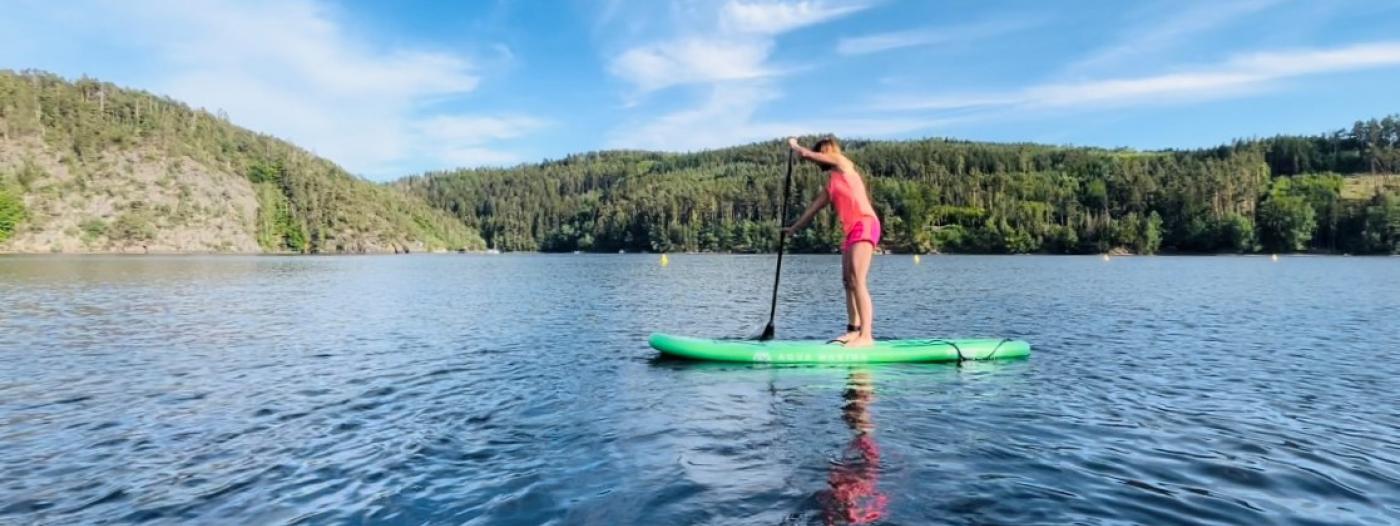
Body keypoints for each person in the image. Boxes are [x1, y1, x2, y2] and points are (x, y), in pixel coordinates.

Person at [783, 136, 880, 347]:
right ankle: (853, 330)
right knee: (847, 282)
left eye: (822, 153)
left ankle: (866, 336)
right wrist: (793, 228)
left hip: (865, 223)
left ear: (829, 151)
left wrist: (795, 145)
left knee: (858, 280)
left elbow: (807, 154)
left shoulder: (844, 164)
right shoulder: (832, 185)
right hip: (851, 231)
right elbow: (812, 210)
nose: (820, 159)